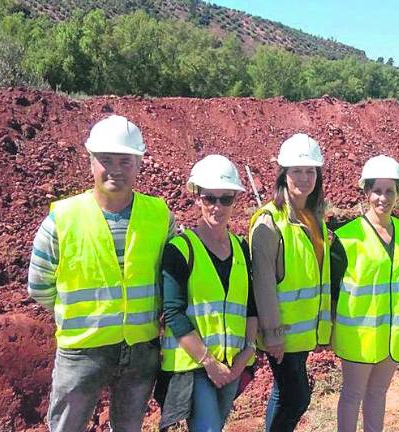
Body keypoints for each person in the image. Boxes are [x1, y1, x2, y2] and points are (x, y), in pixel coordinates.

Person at [27, 115, 175, 431]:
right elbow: (39, 285)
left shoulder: (160, 215)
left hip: (140, 347)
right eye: (106, 159)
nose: (116, 168)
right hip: (82, 350)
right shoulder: (63, 218)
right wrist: (79, 315)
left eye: (125, 160)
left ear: (138, 163)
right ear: (91, 161)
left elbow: (171, 278)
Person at [158, 155, 258, 432]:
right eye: (209, 198)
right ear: (197, 198)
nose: (217, 206)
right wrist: (208, 362)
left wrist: (246, 353)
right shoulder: (181, 249)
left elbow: (250, 305)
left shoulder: (241, 249)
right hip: (195, 366)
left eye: (225, 199)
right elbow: (174, 312)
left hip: (232, 364)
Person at [249, 133, 332, 432]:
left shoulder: (312, 217)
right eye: (297, 170)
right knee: (297, 398)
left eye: (311, 171)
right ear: (283, 174)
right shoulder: (269, 223)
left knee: (284, 394)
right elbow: (264, 286)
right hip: (282, 332)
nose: (305, 177)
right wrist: (272, 334)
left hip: (303, 331)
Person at [331, 155, 399, 432]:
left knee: (378, 394)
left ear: (398, 193)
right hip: (358, 335)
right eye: (377, 191)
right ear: (366, 192)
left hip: (392, 335)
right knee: (353, 394)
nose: (383, 198)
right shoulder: (347, 237)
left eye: (389, 191)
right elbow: (332, 291)